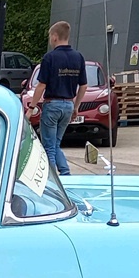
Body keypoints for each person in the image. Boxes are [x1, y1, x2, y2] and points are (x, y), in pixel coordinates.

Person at [27, 21, 88, 176]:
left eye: (50, 36)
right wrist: (76, 106)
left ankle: (52, 181)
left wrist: (31, 108)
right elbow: (83, 86)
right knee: (55, 144)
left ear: (55, 37)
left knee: (48, 147)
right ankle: (66, 174)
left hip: (52, 105)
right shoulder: (78, 57)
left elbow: (41, 85)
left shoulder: (50, 58)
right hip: (68, 105)